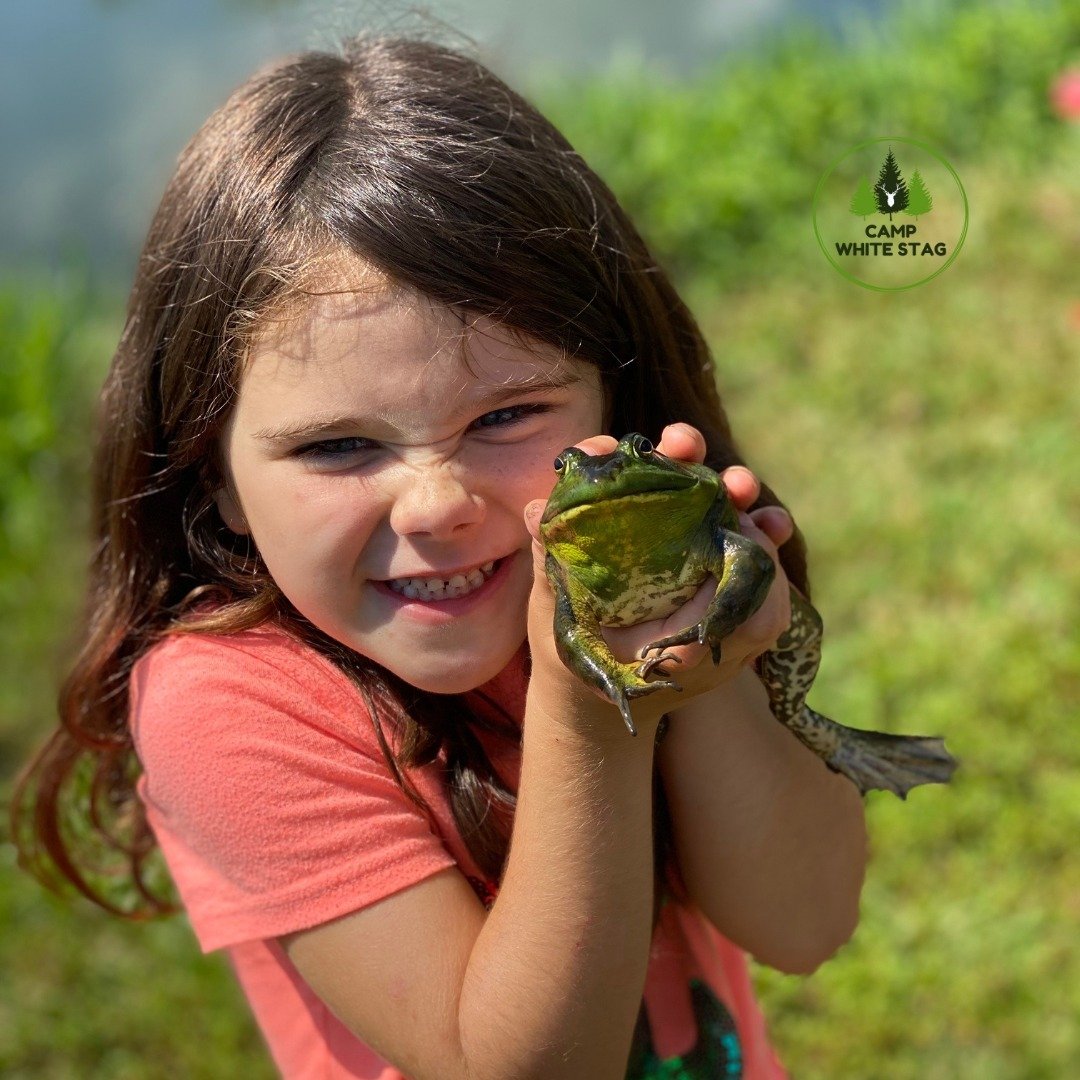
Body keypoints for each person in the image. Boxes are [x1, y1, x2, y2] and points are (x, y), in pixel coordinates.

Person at [13, 31, 868, 1079]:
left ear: (618, 410)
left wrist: (704, 664)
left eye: (507, 415)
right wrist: (589, 700)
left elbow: (808, 921)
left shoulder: (632, 589)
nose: (436, 505)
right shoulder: (220, 705)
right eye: (339, 445)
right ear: (216, 480)